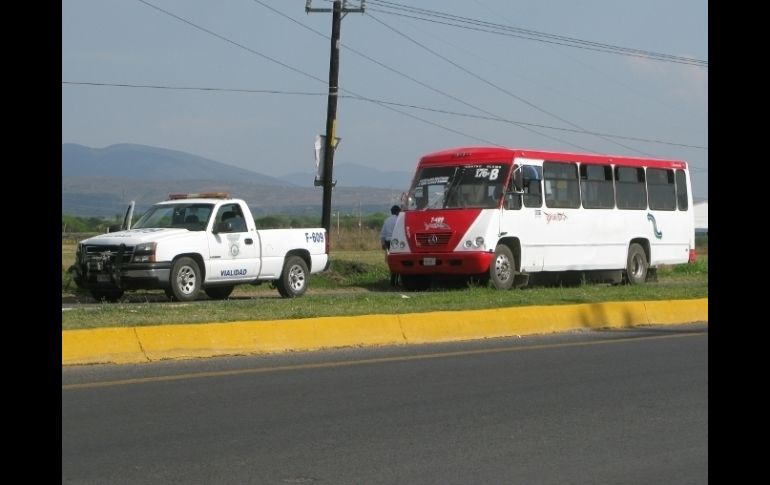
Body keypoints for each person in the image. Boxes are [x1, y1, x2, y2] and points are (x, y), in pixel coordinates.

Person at [380, 205, 401, 287]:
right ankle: (395, 281)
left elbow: (382, 234)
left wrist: (383, 244)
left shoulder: (386, 220)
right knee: (398, 261)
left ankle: (392, 281)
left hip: (388, 242)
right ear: (397, 212)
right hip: (397, 242)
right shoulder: (399, 220)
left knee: (390, 261)